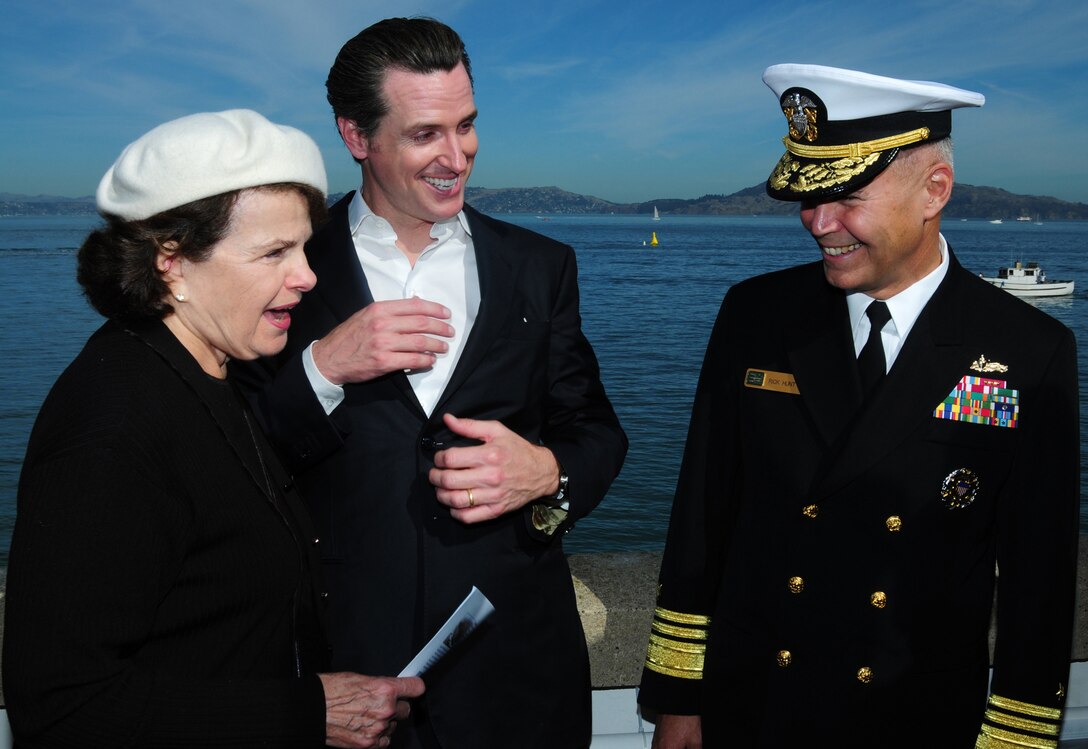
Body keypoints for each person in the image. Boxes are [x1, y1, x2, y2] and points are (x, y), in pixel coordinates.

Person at [638, 64, 1079, 748]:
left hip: (915, 721)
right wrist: (677, 699)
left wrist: (1016, 739)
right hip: (754, 710)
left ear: (935, 190)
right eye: (809, 199)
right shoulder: (756, 316)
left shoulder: (1027, 351)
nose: (819, 223)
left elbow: (1038, 586)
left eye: (846, 196)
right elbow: (701, 517)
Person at [231, 17, 627, 749]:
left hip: (519, 676)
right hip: (341, 676)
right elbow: (229, 454)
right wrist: (322, 367)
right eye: (425, 134)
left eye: (467, 125)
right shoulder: (282, 265)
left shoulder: (541, 265)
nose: (458, 156)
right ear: (357, 137)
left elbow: (597, 432)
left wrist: (547, 471)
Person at [3, 109, 424, 749]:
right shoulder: (114, 426)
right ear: (171, 263)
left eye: (305, 247)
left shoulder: (206, 372)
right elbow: (61, 708)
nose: (306, 276)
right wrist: (307, 711)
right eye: (274, 252)